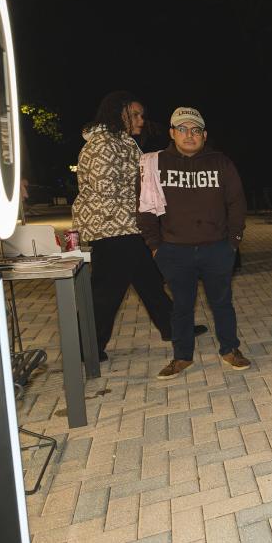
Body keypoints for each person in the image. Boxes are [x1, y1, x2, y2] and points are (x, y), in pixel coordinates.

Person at [71, 91, 205, 362]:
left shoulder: (121, 141)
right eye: (135, 114)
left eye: (141, 114)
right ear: (117, 113)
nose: (141, 119)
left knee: (149, 281)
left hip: (127, 226)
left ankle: (173, 328)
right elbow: (104, 189)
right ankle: (86, 348)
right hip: (111, 228)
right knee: (107, 290)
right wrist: (147, 195)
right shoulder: (102, 144)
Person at [137, 106, 250, 380]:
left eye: (196, 130)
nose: (190, 135)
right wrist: (155, 246)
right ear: (173, 133)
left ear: (204, 134)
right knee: (182, 307)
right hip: (174, 251)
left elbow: (236, 203)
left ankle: (230, 349)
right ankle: (182, 357)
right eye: (183, 129)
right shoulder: (155, 163)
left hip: (217, 249)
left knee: (222, 303)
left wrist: (233, 242)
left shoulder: (221, 162)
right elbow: (144, 208)